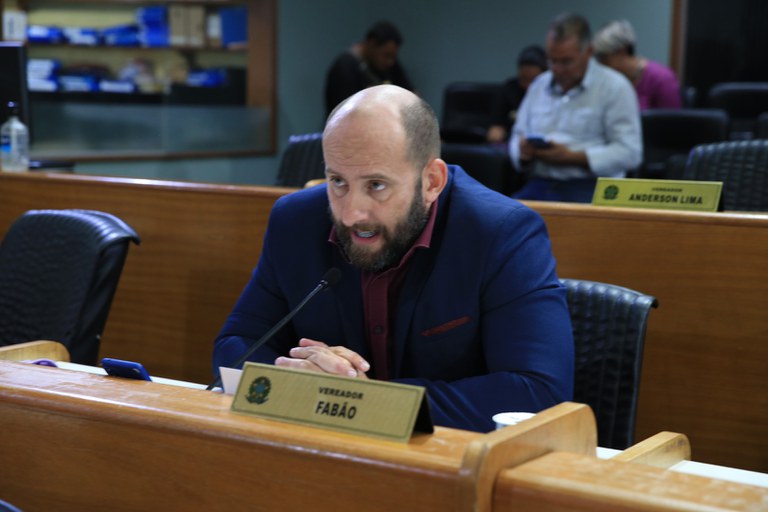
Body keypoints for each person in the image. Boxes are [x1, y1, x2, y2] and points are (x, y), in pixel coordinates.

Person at [213, 84, 574, 433]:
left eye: (376, 185)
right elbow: (236, 345)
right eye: (338, 181)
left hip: (446, 460)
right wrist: (303, 384)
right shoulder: (295, 221)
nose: (351, 214)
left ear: (432, 182)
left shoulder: (503, 232)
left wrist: (362, 400)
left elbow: (539, 392)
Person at [509, 13, 642, 203]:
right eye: (552, 61)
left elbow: (630, 153)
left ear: (588, 52)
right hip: (539, 183)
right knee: (501, 217)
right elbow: (517, 135)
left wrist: (574, 157)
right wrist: (522, 153)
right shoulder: (539, 85)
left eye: (566, 61)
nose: (557, 69)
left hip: (591, 188)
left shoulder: (615, 87)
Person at [324, 21, 414, 117]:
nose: (390, 62)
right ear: (371, 44)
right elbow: (345, 114)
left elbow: (412, 97)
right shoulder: (345, 68)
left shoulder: (388, 63)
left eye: (393, 57)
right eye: (386, 55)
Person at [592, 20, 682, 110]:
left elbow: (672, 118)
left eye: (603, 57)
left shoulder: (662, 78)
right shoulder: (608, 80)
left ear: (622, 51)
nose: (600, 63)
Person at [487, 45, 548, 144]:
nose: (528, 86)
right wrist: (496, 131)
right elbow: (496, 126)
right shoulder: (509, 90)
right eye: (523, 79)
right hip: (512, 143)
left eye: (533, 81)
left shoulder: (552, 93)